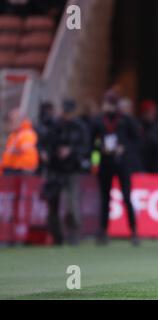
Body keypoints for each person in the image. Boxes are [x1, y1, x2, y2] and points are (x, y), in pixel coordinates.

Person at [92, 90, 140, 246]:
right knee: (105, 198)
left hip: (122, 163)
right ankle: (102, 231)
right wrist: (100, 150)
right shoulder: (99, 121)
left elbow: (137, 138)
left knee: (126, 196)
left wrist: (124, 147)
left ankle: (133, 231)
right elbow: (92, 142)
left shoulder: (125, 120)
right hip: (105, 163)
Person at [41, 100, 90, 245]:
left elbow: (85, 148)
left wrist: (71, 151)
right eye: (65, 111)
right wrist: (46, 152)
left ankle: (73, 233)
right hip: (55, 169)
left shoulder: (80, 127)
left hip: (71, 169)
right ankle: (57, 235)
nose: (66, 115)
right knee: (52, 203)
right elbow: (46, 142)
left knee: (71, 203)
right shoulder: (55, 126)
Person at [0, 108, 38, 176]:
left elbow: (24, 148)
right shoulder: (14, 135)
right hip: (11, 168)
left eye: (12, 120)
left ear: (20, 120)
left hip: (20, 170)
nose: (10, 123)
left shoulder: (27, 133)